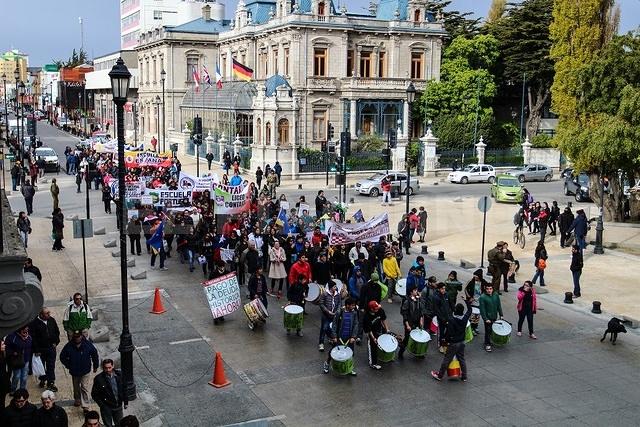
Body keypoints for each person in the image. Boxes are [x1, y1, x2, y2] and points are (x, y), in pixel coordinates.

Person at [431, 299, 472, 382]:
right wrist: (466, 302)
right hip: (462, 342)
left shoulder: (452, 320)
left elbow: (449, 333)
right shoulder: (464, 318)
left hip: (453, 343)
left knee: (447, 359)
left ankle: (440, 375)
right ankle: (464, 376)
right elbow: (470, 310)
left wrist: (445, 340)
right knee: (461, 359)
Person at [60, 332, 99, 413]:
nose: (77, 338)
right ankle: (77, 399)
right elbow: (62, 356)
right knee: (76, 387)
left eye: (79, 336)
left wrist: (95, 366)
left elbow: (94, 354)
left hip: (85, 371)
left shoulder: (87, 345)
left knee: (84, 387)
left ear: (81, 336)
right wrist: (69, 365)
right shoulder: (69, 346)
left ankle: (85, 406)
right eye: (76, 337)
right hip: (75, 371)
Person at [323, 297, 359, 375]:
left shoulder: (354, 313)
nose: (354, 307)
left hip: (349, 338)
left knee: (351, 353)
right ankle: (327, 364)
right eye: (352, 305)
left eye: (354, 305)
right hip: (339, 337)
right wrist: (334, 336)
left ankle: (349, 368)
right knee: (333, 351)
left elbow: (356, 324)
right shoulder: (339, 312)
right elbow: (334, 325)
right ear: (347, 305)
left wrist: (353, 336)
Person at [29, 308, 61, 392]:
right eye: (47, 313)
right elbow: (33, 337)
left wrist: (56, 342)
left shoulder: (51, 320)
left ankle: (51, 382)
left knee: (51, 366)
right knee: (41, 366)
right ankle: (42, 379)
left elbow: (57, 332)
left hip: (51, 348)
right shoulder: (34, 323)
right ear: (41, 315)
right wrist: (36, 350)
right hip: (41, 349)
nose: (49, 314)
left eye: (49, 313)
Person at [91, 359, 128, 427]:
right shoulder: (98, 379)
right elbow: (94, 394)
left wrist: (125, 402)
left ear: (113, 366)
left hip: (118, 405)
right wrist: (102, 405)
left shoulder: (119, 375)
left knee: (120, 424)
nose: (108, 370)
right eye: (105, 368)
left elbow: (124, 388)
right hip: (106, 407)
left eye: (109, 367)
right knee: (108, 425)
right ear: (103, 368)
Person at [398, 286, 425, 359]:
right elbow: (405, 314)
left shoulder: (418, 299)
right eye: (415, 290)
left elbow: (421, 311)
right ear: (411, 292)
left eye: (417, 290)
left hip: (417, 322)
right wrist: (407, 325)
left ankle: (419, 353)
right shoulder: (407, 301)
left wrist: (421, 320)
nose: (417, 291)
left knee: (418, 338)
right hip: (410, 322)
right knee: (407, 338)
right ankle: (401, 352)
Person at [362, 301, 389, 370]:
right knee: (372, 346)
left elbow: (383, 320)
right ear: (372, 309)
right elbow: (368, 329)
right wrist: (373, 338)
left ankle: (384, 356)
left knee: (384, 342)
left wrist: (387, 329)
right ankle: (373, 363)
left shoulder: (380, 310)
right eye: (376, 308)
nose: (378, 309)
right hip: (371, 332)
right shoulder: (366, 317)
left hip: (379, 328)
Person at [6, 326, 32, 394]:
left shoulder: (28, 336)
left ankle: (22, 390)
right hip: (17, 360)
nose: (26, 332)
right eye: (24, 331)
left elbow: (30, 345)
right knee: (16, 376)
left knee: (24, 377)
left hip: (26, 359)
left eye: (27, 330)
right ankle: (13, 389)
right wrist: (13, 353)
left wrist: (25, 339)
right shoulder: (12, 337)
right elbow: (7, 347)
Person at [479, 284, 503, 352]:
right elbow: (482, 309)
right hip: (488, 318)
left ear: (492, 289)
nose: (489, 290)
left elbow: (499, 305)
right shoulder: (482, 297)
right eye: (487, 289)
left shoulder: (496, 295)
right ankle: (487, 344)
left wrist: (501, 314)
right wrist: (485, 319)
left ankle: (488, 341)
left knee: (492, 330)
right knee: (488, 330)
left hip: (494, 316)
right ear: (485, 289)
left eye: (490, 289)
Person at [318, 281, 341, 352]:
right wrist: (328, 311)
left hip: (334, 315)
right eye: (334, 286)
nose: (336, 288)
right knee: (324, 328)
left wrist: (337, 311)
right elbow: (321, 304)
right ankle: (321, 343)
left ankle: (330, 338)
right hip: (326, 315)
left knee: (332, 328)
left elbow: (339, 303)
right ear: (331, 287)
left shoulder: (338, 295)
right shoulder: (324, 294)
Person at [432, 282, 452, 352]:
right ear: (438, 289)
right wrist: (442, 319)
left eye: (444, 289)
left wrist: (452, 312)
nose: (443, 290)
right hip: (441, 319)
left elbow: (450, 305)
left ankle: (445, 343)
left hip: (448, 317)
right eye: (442, 289)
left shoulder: (446, 295)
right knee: (441, 333)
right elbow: (437, 310)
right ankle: (441, 345)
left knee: (449, 331)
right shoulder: (436, 297)